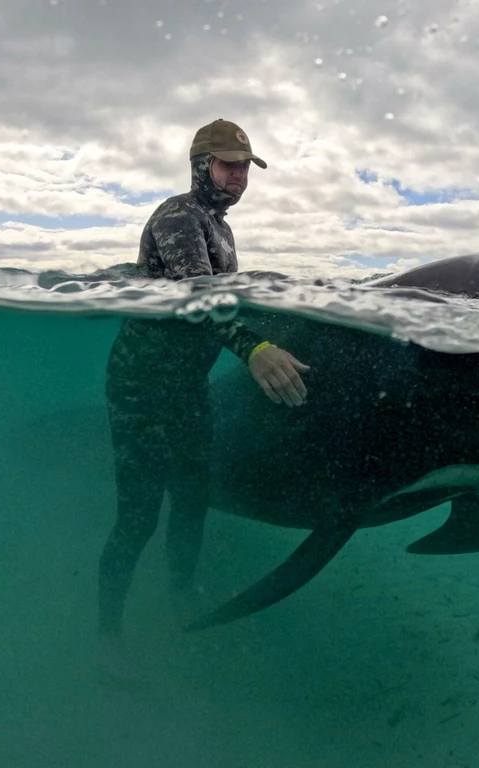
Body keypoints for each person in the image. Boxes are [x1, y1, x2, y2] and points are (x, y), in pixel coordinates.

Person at [97, 119, 309, 677]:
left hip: (187, 389)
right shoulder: (178, 216)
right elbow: (198, 299)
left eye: (244, 167)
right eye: (227, 165)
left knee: (192, 500)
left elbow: (221, 299)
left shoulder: (221, 229)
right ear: (200, 166)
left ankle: (180, 598)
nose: (238, 177)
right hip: (141, 390)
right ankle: (108, 637)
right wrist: (254, 347)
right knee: (138, 518)